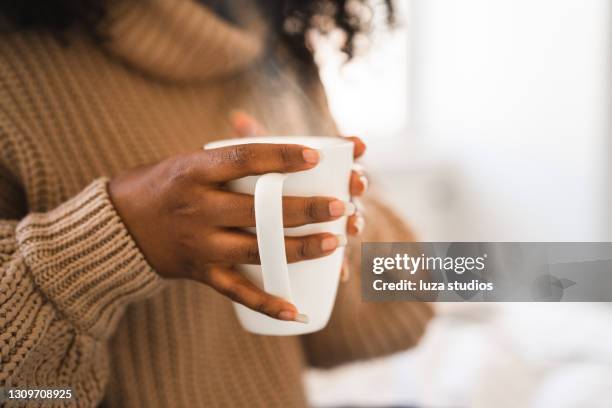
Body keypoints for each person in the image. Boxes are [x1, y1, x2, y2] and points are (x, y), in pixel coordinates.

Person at [0, 0, 433, 406]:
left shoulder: (281, 53)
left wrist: (326, 228)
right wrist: (111, 238)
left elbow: (414, 308)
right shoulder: (16, 70)